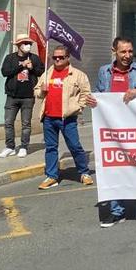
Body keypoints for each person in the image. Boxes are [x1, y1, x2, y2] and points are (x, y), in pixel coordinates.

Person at [87, 37, 136, 228]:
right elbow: (99, 93)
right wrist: (93, 101)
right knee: (114, 167)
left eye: (130, 51)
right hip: (113, 129)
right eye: (123, 52)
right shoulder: (104, 71)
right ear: (114, 51)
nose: (127, 55)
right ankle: (118, 211)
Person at [33, 46, 94, 190]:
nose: (58, 60)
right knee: (51, 148)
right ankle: (51, 176)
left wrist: (78, 107)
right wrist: (41, 90)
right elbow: (36, 90)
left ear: (68, 58)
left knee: (74, 146)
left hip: (67, 118)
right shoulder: (47, 74)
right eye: (55, 57)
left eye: (61, 57)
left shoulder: (78, 75)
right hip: (48, 117)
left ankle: (84, 172)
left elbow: (86, 93)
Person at [0, 34, 44, 158]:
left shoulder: (34, 58)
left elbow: (41, 72)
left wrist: (32, 67)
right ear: (18, 45)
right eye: (25, 43)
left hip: (28, 96)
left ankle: (24, 146)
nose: (28, 45)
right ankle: (10, 147)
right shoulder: (10, 58)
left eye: (29, 43)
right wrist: (21, 66)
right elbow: (5, 72)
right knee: (8, 122)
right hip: (12, 96)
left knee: (26, 123)